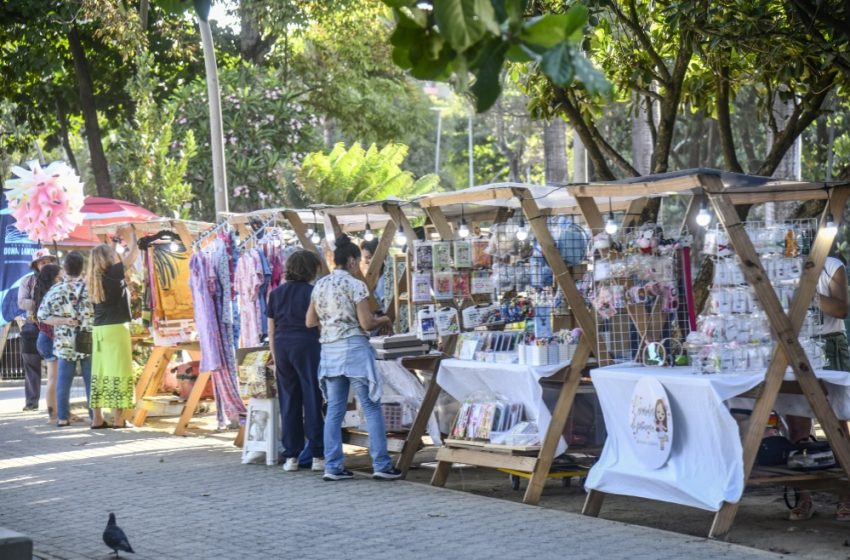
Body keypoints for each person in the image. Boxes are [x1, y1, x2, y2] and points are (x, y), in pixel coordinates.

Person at [306, 234, 400, 481]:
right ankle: (381, 464)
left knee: (335, 410)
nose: (359, 266)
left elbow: (310, 321)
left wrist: (331, 324)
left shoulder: (320, 285)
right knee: (370, 406)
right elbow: (367, 323)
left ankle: (333, 466)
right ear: (350, 261)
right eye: (358, 262)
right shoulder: (356, 285)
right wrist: (385, 319)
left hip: (329, 351)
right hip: (354, 349)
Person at [787, 254, 850, 521]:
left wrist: (808, 295)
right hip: (794, 343)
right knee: (798, 426)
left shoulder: (832, 266)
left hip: (829, 345)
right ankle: (804, 497)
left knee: (837, 424)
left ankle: (846, 496)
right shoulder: (778, 264)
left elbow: (841, 310)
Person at [267, 250, 325, 472]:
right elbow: (318, 324)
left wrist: (275, 357)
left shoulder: (275, 294)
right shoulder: (314, 292)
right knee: (312, 397)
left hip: (282, 347)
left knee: (289, 400)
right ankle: (317, 454)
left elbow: (271, 330)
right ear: (311, 269)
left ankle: (291, 455)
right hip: (308, 345)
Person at [37, 252, 93, 428]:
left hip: (64, 340)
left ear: (65, 269)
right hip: (87, 337)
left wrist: (63, 321)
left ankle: (62, 417)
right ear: (82, 268)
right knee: (90, 379)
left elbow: (42, 316)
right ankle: (95, 416)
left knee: (63, 380)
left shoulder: (56, 290)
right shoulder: (91, 288)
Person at [87, 244, 135, 429]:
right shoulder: (113, 273)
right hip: (116, 329)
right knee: (119, 372)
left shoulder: (94, 278)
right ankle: (118, 419)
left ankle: (97, 419)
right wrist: (132, 236)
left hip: (99, 330)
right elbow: (132, 256)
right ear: (108, 258)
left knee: (99, 374)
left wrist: (114, 240)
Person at [17, 249, 58, 414]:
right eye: (42, 262)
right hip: (32, 326)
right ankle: (32, 402)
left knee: (56, 367)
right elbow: (21, 302)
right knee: (31, 365)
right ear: (35, 265)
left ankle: (57, 403)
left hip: (55, 326)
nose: (45, 265)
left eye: (48, 262)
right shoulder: (27, 281)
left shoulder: (57, 281)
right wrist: (40, 301)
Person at [32, 264, 63, 422]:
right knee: (53, 379)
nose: (61, 280)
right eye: (59, 277)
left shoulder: (42, 293)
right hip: (48, 339)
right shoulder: (50, 295)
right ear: (52, 278)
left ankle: (57, 412)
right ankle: (53, 415)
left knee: (55, 379)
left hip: (45, 338)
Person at [361, 238, 387, 312]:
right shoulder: (373, 277)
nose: (366, 262)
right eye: (364, 258)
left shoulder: (385, 278)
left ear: (378, 256)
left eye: (368, 257)